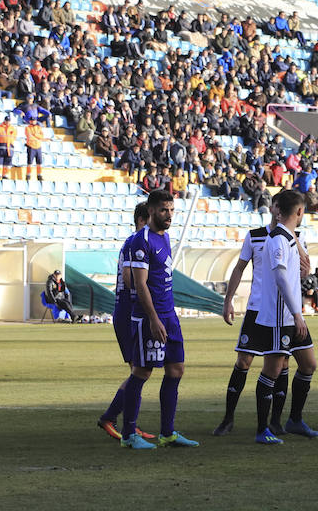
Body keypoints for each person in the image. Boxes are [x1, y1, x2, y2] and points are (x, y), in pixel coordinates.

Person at [212, 201, 308, 437]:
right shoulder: (255, 236)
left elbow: (304, 269)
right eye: (274, 206)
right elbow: (240, 268)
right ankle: (228, 418)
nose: (277, 210)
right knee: (244, 361)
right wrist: (228, 300)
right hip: (257, 309)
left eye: (279, 206)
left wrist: (297, 241)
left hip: (282, 310)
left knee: (282, 363)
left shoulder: (295, 237)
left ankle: (274, 421)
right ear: (273, 209)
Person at [121, 189, 199, 449]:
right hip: (148, 317)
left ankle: (168, 432)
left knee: (176, 369)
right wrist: (153, 319)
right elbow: (140, 285)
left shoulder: (164, 238)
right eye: (164, 210)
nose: (169, 215)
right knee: (142, 372)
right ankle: (129, 435)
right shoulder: (139, 241)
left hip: (170, 314)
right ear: (151, 210)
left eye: (172, 210)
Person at [253, 190, 318, 444]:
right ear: (300, 211)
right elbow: (280, 278)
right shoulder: (278, 239)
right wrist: (296, 312)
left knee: (308, 364)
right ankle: (263, 429)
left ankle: (294, 419)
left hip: (293, 316)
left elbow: (290, 275)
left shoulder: (291, 238)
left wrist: (302, 274)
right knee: (272, 370)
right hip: (280, 317)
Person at [97, 203, 156, 443]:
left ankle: (128, 421)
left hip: (131, 309)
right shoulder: (135, 243)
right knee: (139, 371)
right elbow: (130, 280)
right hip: (127, 310)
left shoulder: (138, 242)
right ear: (143, 220)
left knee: (141, 370)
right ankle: (111, 418)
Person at [24, 117, 45, 181]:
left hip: (38, 146)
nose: (33, 121)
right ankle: (28, 175)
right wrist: (37, 137)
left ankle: (39, 175)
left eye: (34, 120)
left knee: (39, 162)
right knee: (30, 162)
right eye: (32, 120)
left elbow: (42, 136)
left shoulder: (38, 127)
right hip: (31, 146)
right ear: (30, 121)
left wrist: (35, 135)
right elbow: (29, 136)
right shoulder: (27, 128)